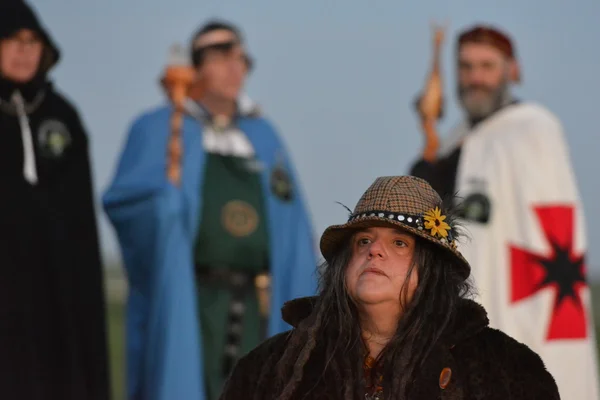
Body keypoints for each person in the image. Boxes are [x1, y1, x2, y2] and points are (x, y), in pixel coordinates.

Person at [103, 20, 317, 400]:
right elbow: (125, 202)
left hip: (258, 304)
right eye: (222, 56)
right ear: (195, 66)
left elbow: (293, 224)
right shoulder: (160, 128)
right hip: (191, 302)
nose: (236, 67)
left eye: (242, 58)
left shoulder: (264, 137)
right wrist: (163, 208)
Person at [219, 175, 560, 399]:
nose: (374, 250)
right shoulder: (269, 369)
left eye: (399, 243)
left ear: (432, 269)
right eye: (363, 240)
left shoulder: (505, 371)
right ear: (342, 266)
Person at [410, 24, 599, 399]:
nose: (475, 77)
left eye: (487, 65)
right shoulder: (454, 141)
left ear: (512, 70)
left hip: (516, 299)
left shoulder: (532, 131)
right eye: (465, 66)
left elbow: (543, 231)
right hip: (452, 308)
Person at [0, 1, 110, 400]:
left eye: (32, 41)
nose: (24, 50)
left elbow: (79, 221)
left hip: (58, 291)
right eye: (12, 39)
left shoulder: (62, 117)